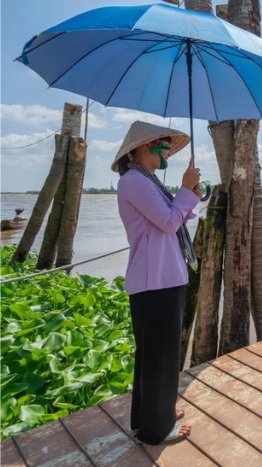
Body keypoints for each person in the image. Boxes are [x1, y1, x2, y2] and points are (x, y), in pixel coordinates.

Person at [111, 121, 201, 445]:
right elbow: (167, 220)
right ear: (146, 146)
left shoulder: (145, 181)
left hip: (163, 277)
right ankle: (157, 430)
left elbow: (172, 215)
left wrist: (188, 195)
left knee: (156, 355)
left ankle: (152, 416)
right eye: (164, 143)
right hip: (155, 281)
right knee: (159, 357)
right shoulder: (134, 181)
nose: (167, 150)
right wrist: (186, 190)